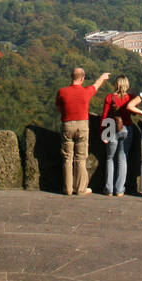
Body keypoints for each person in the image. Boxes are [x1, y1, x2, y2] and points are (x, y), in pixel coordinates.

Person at [56, 67, 110, 196]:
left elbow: (58, 108)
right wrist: (102, 77)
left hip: (67, 125)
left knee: (67, 158)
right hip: (82, 125)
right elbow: (96, 85)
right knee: (80, 158)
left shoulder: (62, 92)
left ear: (72, 77)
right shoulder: (85, 92)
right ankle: (80, 189)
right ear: (82, 78)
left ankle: (68, 188)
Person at [100, 76, 135, 196]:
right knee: (122, 159)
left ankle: (109, 189)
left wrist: (102, 132)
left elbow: (104, 116)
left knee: (110, 158)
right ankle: (119, 189)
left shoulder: (110, 97)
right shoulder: (131, 98)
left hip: (111, 127)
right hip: (127, 128)